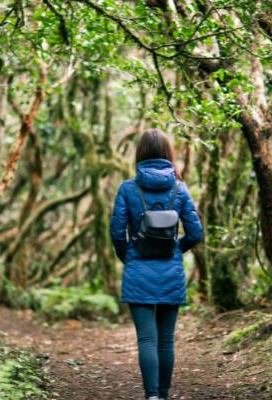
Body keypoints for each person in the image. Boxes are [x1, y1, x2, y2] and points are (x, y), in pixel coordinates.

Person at [110, 128, 203, 400]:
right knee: (165, 340)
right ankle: (163, 394)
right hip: (170, 270)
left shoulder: (128, 188)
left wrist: (129, 256)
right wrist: (176, 250)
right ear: (168, 153)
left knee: (147, 340)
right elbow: (195, 233)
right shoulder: (179, 188)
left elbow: (117, 232)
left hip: (138, 268)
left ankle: (151, 396)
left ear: (140, 153)